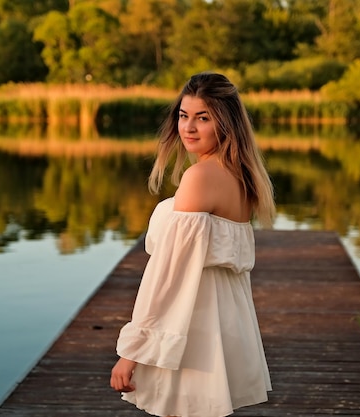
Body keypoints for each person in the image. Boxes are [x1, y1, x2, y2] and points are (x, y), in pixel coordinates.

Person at [110, 72, 275, 417]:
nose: (189, 127)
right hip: (226, 322)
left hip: (192, 326)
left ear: (226, 123)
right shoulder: (241, 176)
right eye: (184, 116)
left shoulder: (200, 177)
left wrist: (132, 352)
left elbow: (170, 276)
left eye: (203, 118)